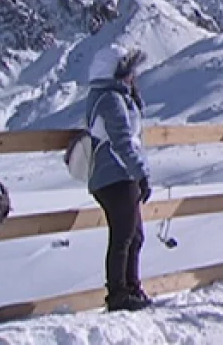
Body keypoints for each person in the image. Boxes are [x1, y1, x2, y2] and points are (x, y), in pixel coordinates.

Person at [85, 43, 152, 311]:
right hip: (115, 177)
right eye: (127, 71)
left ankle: (131, 287)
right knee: (124, 236)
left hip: (120, 176)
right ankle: (118, 293)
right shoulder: (111, 100)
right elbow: (122, 142)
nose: (132, 76)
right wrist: (141, 174)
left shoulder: (116, 97)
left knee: (133, 235)